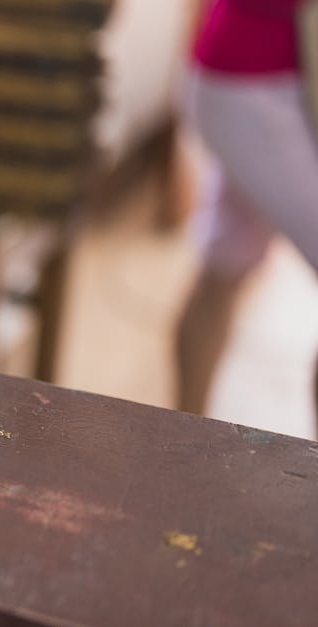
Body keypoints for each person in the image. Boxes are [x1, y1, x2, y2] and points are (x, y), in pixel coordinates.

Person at [177, 0, 318, 414]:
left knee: (224, 266)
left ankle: (182, 445)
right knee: (222, 271)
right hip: (253, 84)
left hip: (256, 76)